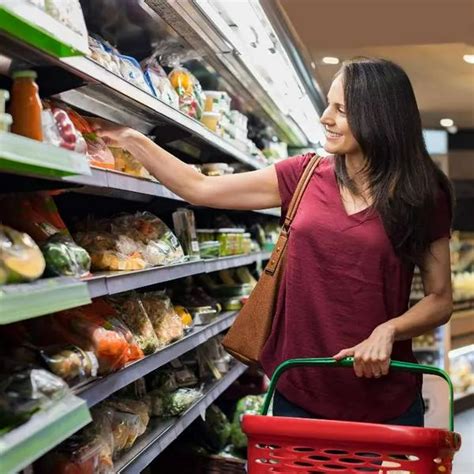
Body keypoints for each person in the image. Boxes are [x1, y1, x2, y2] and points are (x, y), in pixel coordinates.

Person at [93, 58, 454, 426]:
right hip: (299, 389)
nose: (325, 117)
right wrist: (130, 137)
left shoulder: (423, 194)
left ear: (379, 116)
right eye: (328, 104)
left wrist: (389, 330)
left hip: (384, 395)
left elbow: (440, 298)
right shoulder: (304, 175)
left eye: (341, 109)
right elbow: (199, 188)